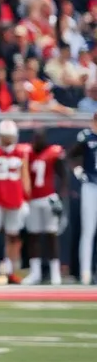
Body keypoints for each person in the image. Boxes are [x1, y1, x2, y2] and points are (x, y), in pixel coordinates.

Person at [0, 120, 30, 283]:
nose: (7, 140)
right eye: (4, 137)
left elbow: (25, 177)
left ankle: (11, 271)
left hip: (15, 200)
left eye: (9, 137)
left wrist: (25, 200)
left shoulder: (21, 152)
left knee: (13, 237)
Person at [24, 129, 65, 286]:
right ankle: (35, 272)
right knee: (33, 236)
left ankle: (55, 273)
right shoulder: (27, 154)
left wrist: (60, 197)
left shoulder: (53, 152)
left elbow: (63, 175)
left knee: (51, 235)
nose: (37, 141)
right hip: (33, 199)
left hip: (48, 198)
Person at [73, 114, 97, 285]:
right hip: (90, 185)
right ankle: (85, 272)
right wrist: (77, 170)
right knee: (88, 230)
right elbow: (71, 155)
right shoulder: (86, 137)